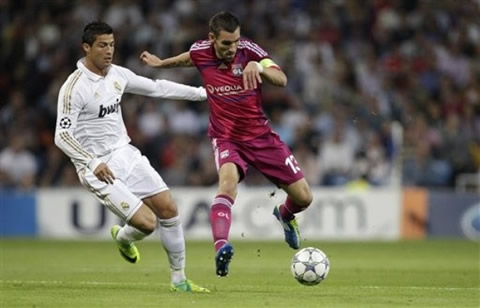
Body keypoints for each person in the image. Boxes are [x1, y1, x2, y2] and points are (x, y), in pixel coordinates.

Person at [140, 11, 313, 277]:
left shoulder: (248, 50)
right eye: (225, 43)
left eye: (235, 41)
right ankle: (221, 248)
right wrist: (162, 64)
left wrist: (261, 67)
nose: (232, 48)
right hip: (226, 137)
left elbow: (282, 79)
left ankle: (285, 215)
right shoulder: (200, 51)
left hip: (261, 137)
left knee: (304, 197)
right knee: (227, 186)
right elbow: (189, 58)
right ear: (212, 39)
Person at [54, 21, 209, 293]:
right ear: (86, 47)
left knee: (169, 209)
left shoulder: (117, 74)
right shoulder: (73, 88)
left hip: (125, 153)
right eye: (102, 45)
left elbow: (157, 87)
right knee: (147, 224)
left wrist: (201, 94)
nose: (109, 51)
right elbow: (62, 136)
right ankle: (124, 238)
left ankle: (179, 280)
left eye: (112, 45)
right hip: (96, 165)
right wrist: (92, 162)